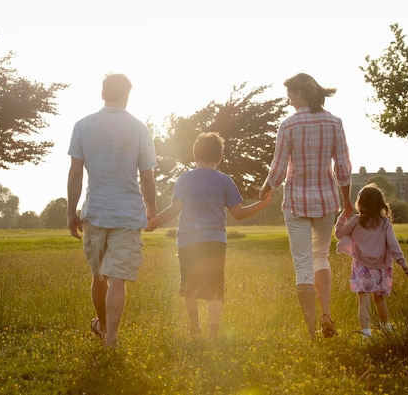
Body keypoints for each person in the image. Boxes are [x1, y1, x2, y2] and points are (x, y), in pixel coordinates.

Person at [146, 132, 271, 338]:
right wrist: (262, 203)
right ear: (219, 158)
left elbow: (173, 209)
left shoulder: (185, 179)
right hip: (215, 242)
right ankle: (214, 333)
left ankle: (195, 329)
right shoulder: (225, 181)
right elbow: (238, 214)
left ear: (195, 155)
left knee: (189, 283)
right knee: (214, 285)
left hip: (188, 242)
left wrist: (153, 222)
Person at [259, 73, 353, 339]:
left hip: (297, 202)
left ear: (300, 94)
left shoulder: (288, 126)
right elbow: (343, 168)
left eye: (290, 96)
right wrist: (346, 201)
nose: (289, 102)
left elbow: (277, 170)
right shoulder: (335, 122)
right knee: (320, 256)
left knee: (302, 264)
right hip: (326, 201)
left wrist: (265, 189)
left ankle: (311, 332)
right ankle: (326, 314)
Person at [67, 73, 157, 348]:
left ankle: (104, 326)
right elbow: (147, 176)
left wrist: (71, 210)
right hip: (128, 214)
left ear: (103, 93)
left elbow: (75, 173)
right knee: (118, 279)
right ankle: (111, 338)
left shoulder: (83, 125)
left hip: (95, 212)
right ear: (127, 95)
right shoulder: (139, 128)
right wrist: (152, 210)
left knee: (98, 276)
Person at [334, 183, 408, 339]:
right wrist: (402, 262)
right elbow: (393, 244)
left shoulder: (356, 220)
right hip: (380, 268)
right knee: (379, 298)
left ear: (360, 203)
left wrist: (342, 216)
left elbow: (339, 234)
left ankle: (366, 333)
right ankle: (385, 327)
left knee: (364, 299)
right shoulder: (384, 223)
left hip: (361, 267)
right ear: (380, 204)